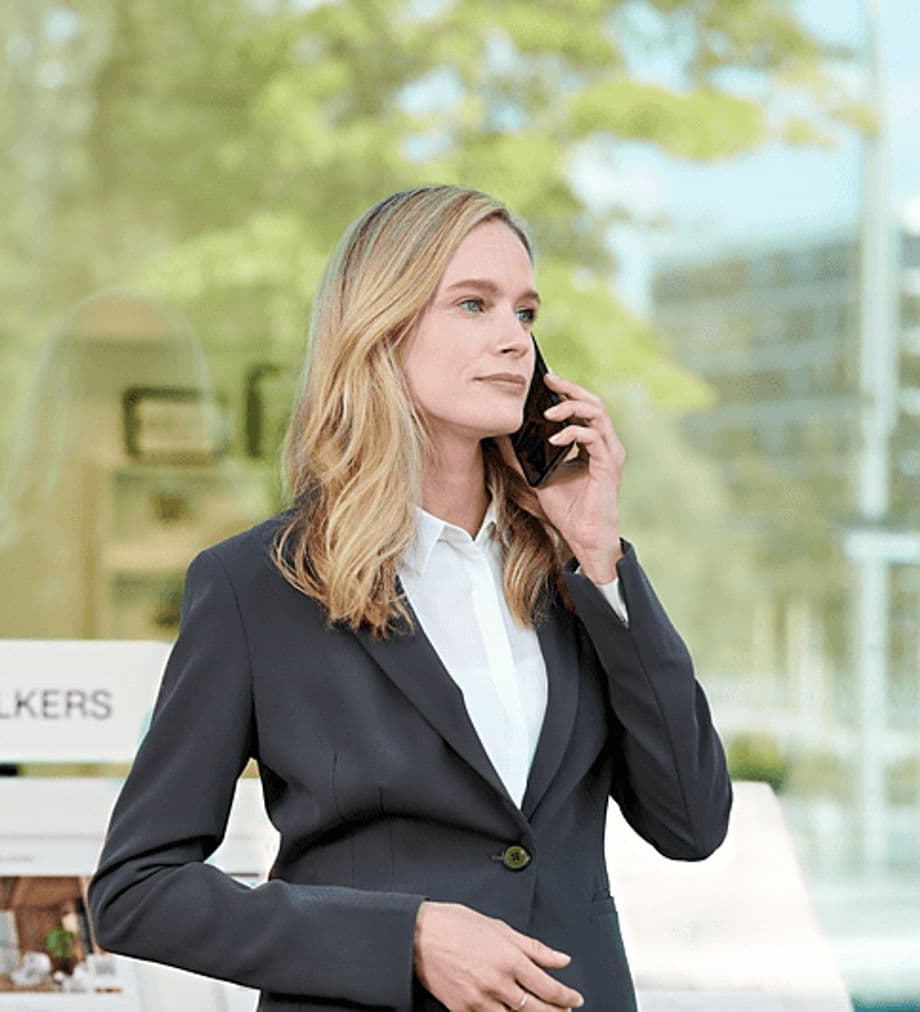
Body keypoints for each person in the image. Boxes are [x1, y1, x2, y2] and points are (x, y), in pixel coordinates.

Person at [84, 184, 733, 1012]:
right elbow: (139, 891)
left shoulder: (567, 573)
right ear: (382, 329)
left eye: (526, 314)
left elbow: (693, 822)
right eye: (474, 304)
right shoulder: (257, 586)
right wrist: (408, 937)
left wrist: (600, 556)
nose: (515, 342)